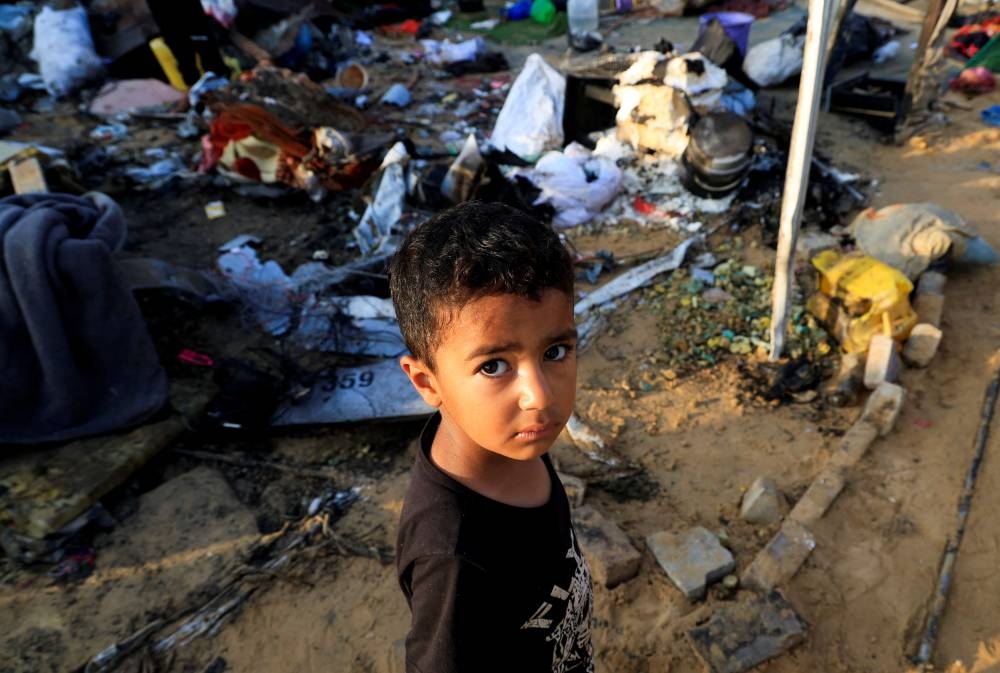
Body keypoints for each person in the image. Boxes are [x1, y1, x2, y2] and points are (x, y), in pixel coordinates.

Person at [389, 201, 594, 673]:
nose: (538, 397)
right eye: (493, 366)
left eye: (556, 351)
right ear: (427, 383)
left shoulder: (514, 439)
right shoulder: (453, 557)